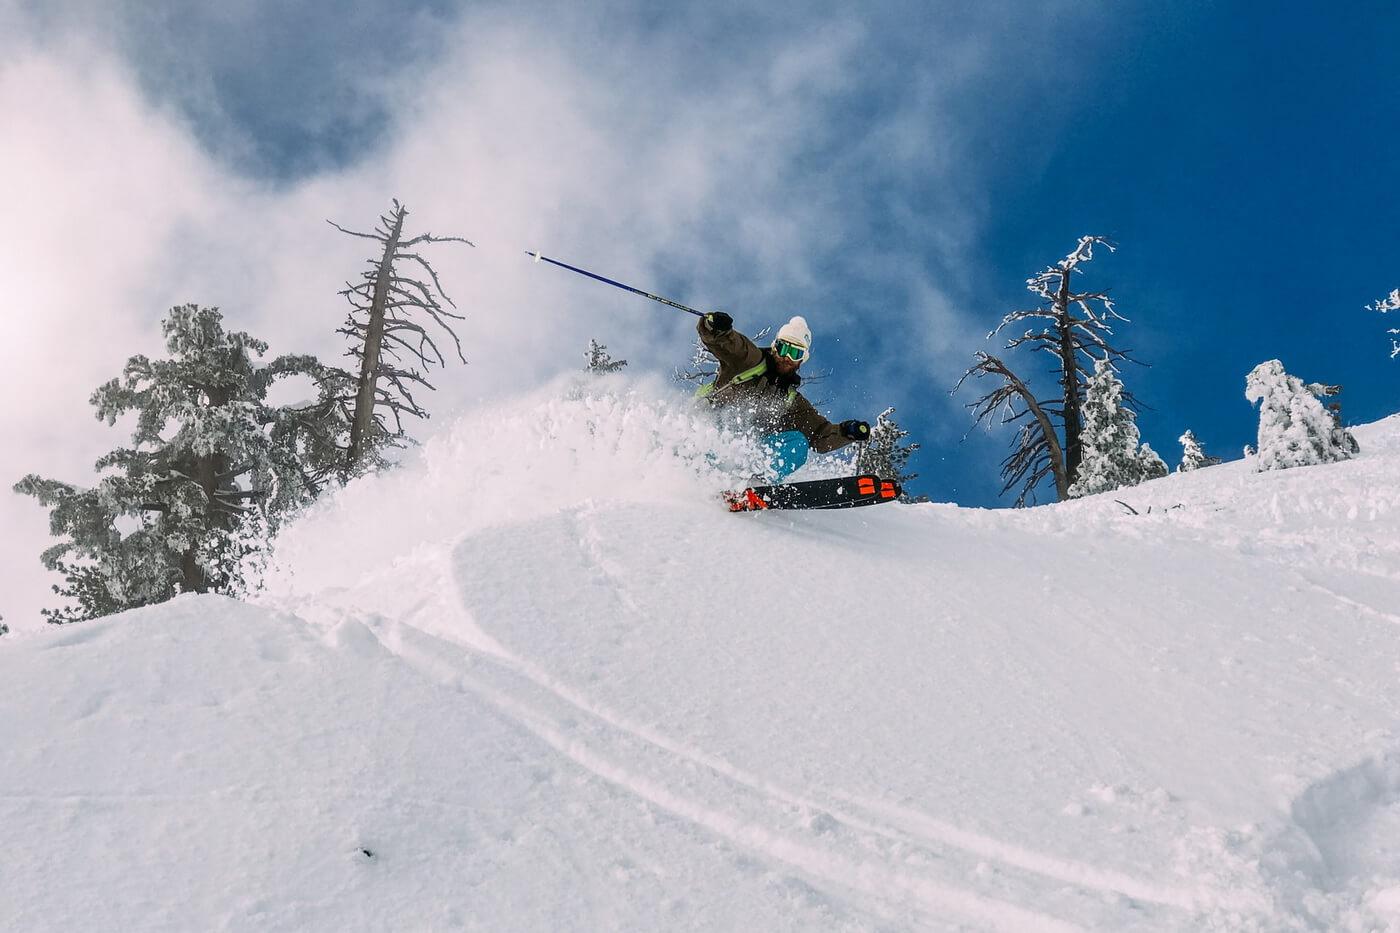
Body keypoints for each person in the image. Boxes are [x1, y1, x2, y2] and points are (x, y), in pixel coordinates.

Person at [695, 310, 870, 480]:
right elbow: (730, 344)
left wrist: (846, 432)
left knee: (798, 442)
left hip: (743, 455)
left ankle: (757, 480)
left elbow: (819, 435)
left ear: (802, 359)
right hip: (710, 436)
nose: (786, 357)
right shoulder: (750, 361)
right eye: (782, 348)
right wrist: (715, 327)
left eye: (794, 353)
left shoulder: (790, 400)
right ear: (774, 347)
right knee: (722, 427)